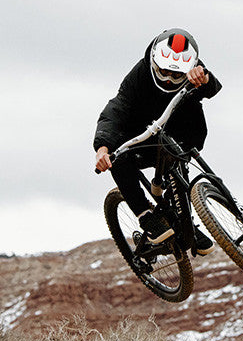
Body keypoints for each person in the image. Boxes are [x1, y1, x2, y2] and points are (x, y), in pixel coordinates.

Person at [94, 28, 222, 254]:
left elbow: (212, 88)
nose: (169, 78)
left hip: (181, 134)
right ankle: (145, 215)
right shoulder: (139, 76)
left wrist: (205, 78)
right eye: (163, 71)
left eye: (176, 75)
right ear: (154, 61)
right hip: (143, 138)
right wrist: (102, 148)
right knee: (118, 157)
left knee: (176, 158)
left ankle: (186, 223)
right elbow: (115, 110)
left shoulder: (194, 68)